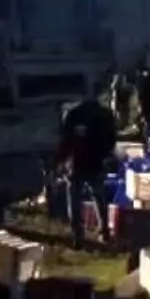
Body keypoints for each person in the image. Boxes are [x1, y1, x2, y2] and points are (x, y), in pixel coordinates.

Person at [54, 96, 118, 247]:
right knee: (99, 198)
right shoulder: (104, 114)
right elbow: (112, 139)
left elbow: (65, 141)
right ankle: (104, 232)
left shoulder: (73, 114)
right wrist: (105, 155)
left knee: (75, 200)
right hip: (96, 162)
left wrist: (60, 160)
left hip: (77, 163)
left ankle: (78, 235)